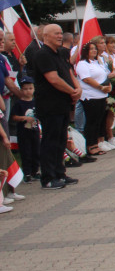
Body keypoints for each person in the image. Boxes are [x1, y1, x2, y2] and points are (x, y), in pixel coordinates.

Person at [31, 24, 81, 189]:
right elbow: (53, 78)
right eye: (56, 34)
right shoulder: (42, 55)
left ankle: (60, 173)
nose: (60, 36)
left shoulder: (61, 53)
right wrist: (72, 92)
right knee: (50, 141)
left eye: (61, 33)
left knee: (61, 140)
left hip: (63, 103)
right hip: (49, 104)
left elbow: (69, 73)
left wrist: (77, 88)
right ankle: (48, 177)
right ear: (45, 36)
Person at [76, 40, 112, 157]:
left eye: (95, 49)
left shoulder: (97, 62)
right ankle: (90, 145)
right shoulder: (82, 64)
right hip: (91, 96)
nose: (94, 51)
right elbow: (86, 79)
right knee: (91, 121)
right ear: (85, 51)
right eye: (91, 49)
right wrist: (101, 87)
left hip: (101, 96)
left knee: (98, 121)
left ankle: (95, 143)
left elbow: (105, 75)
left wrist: (108, 86)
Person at [10, 78, 40, 181]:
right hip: (23, 132)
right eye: (25, 89)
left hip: (34, 130)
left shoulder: (36, 102)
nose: (28, 91)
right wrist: (24, 118)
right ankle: (27, 173)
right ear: (21, 90)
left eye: (30, 88)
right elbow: (14, 117)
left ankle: (35, 171)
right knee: (26, 152)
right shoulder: (19, 104)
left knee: (36, 151)